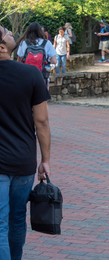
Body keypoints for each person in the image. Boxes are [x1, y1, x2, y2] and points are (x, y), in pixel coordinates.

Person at [0, 24, 51, 260]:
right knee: (17, 218)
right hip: (23, 160)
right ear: (2, 46)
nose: (13, 34)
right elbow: (41, 122)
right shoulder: (30, 74)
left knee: (0, 223)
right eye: (7, 32)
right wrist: (46, 160)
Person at [16, 22, 57, 87]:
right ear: (40, 31)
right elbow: (54, 61)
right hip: (41, 76)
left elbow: (18, 61)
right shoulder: (47, 43)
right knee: (42, 96)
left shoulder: (24, 43)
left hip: (26, 77)